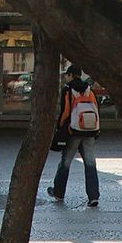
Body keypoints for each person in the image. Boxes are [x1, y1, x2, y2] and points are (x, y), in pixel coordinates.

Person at [47, 64, 100, 207]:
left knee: (65, 162)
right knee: (90, 163)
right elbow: (96, 107)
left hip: (74, 130)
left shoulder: (68, 89)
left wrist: (60, 127)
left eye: (66, 75)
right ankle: (94, 196)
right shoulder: (89, 90)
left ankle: (58, 192)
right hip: (89, 130)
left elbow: (65, 112)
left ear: (70, 75)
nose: (65, 77)